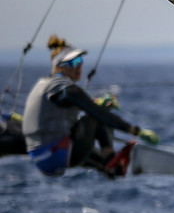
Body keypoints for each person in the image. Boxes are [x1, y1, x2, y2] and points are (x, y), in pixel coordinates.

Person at [22, 37, 158, 176]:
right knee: (98, 115)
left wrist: (95, 105)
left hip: (43, 159)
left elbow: (67, 108)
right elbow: (97, 113)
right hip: (57, 155)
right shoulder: (66, 89)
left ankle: (106, 165)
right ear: (60, 67)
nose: (79, 67)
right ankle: (110, 159)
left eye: (80, 61)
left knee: (95, 113)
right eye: (73, 62)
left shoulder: (45, 85)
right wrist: (136, 131)